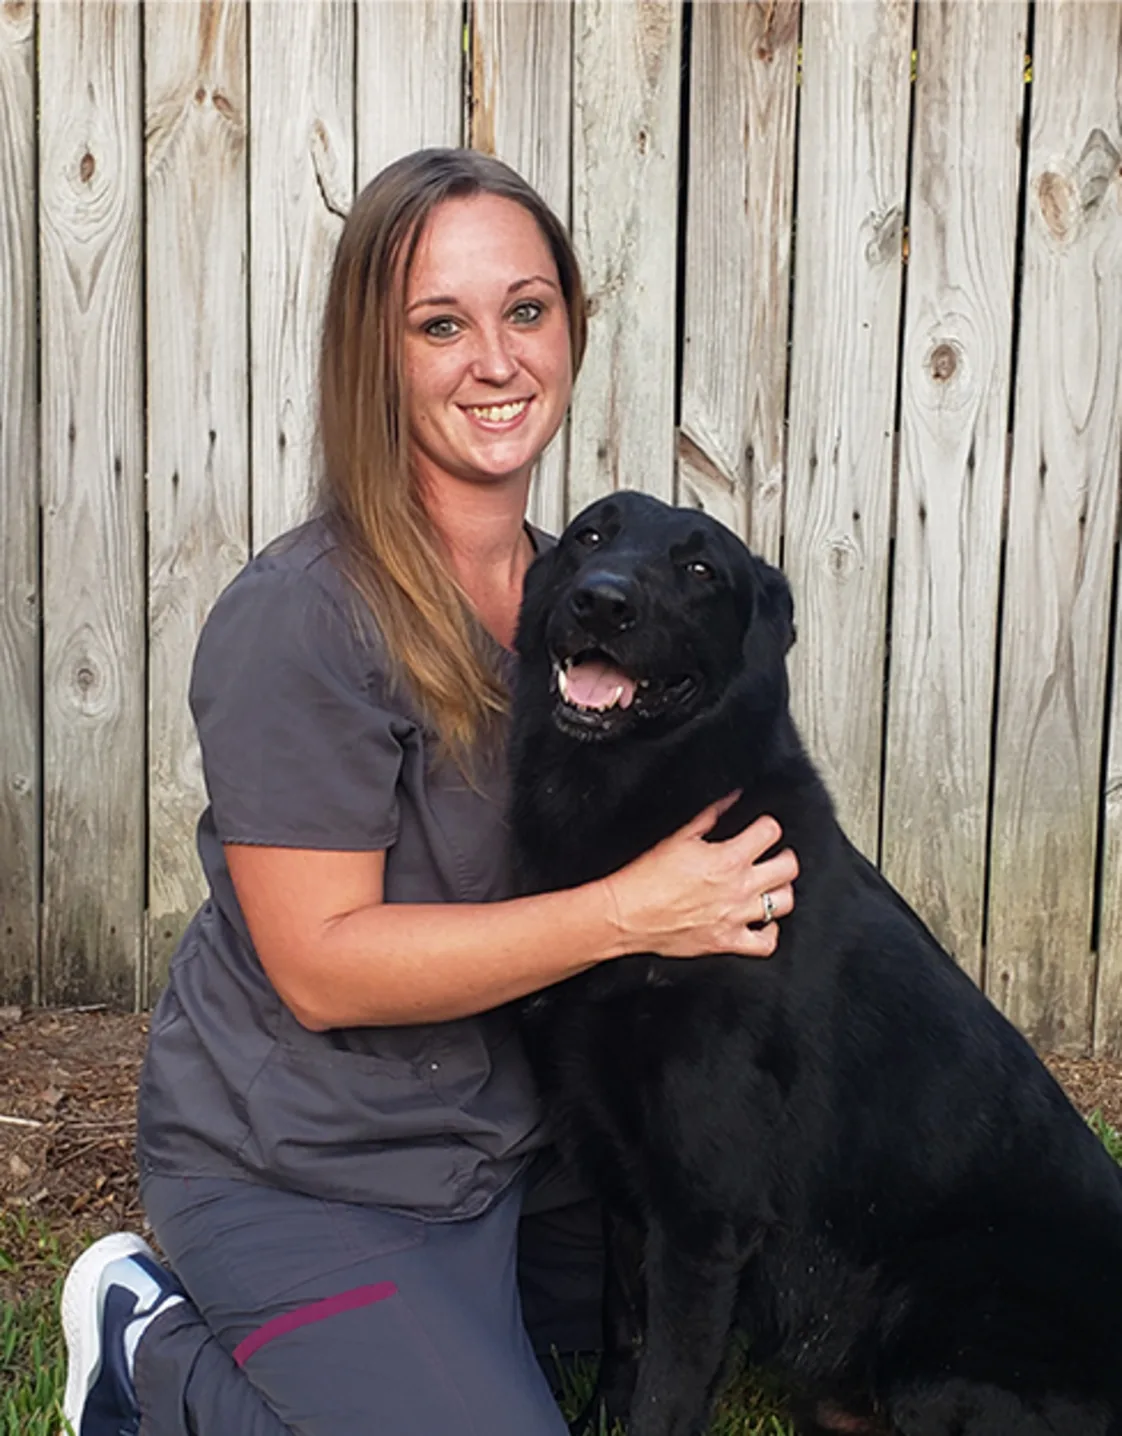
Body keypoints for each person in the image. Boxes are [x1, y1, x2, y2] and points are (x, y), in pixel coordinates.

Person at [59, 147, 799, 1436]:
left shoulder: (588, 596)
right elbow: (325, 966)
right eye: (439, 325)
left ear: (571, 323)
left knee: (765, 1286)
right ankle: (145, 1346)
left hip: (513, 1138)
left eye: (526, 310)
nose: (497, 361)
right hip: (308, 1164)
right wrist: (635, 911)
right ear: (374, 355)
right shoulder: (300, 621)